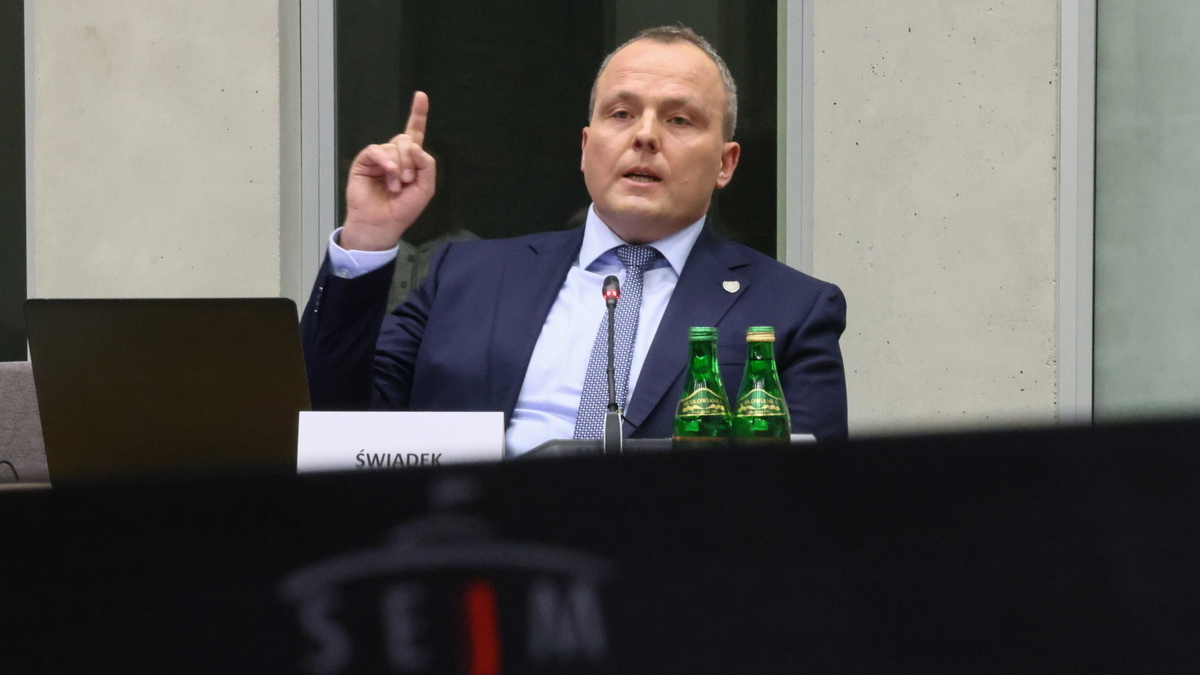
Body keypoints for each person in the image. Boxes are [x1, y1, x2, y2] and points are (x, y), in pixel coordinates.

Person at [302, 26, 848, 456]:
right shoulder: (465, 277)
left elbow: (805, 501)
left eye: (679, 119)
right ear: (586, 147)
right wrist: (368, 238)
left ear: (725, 163)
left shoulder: (792, 310)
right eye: (621, 114)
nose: (645, 135)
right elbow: (330, 421)